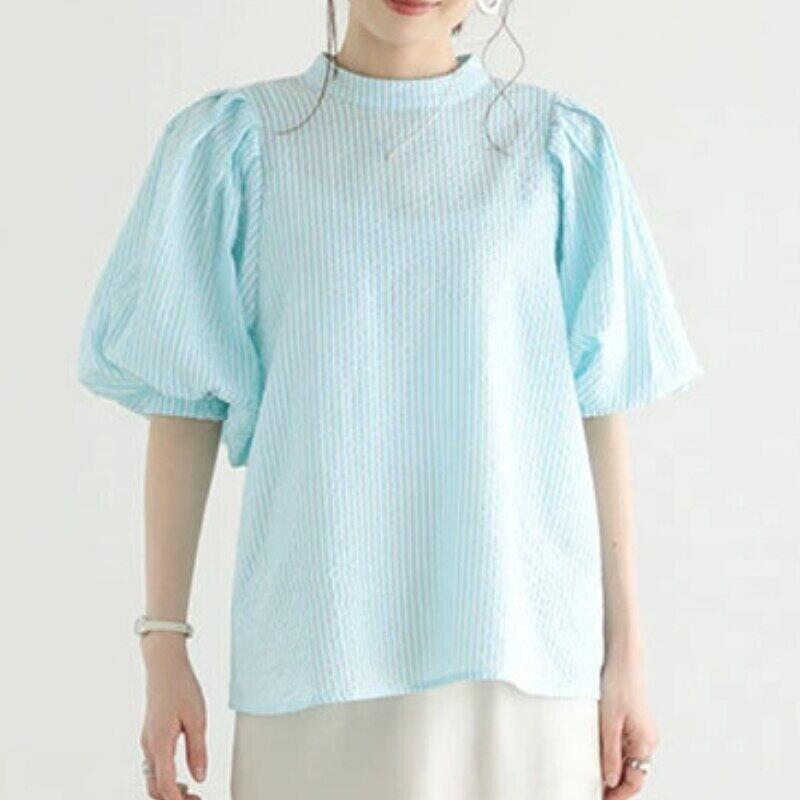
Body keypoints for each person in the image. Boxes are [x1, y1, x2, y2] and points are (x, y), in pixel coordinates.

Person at [76, 1, 702, 798]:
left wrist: (627, 658)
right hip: (314, 656)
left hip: (521, 659)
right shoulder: (235, 144)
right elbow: (184, 406)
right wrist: (164, 646)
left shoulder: (559, 148)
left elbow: (598, 411)